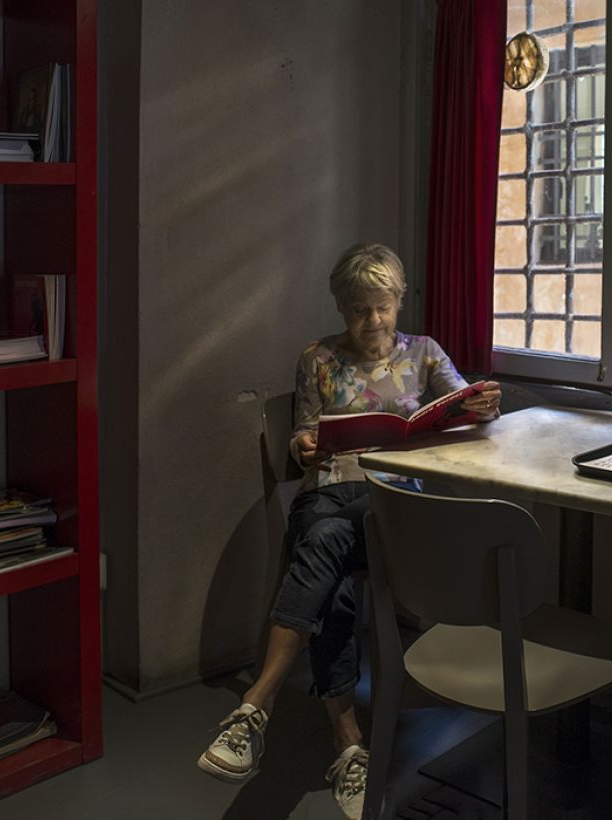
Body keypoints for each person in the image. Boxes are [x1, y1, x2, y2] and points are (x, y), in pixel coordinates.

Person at [197, 243, 501, 819]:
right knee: (331, 568)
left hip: (397, 506)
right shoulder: (318, 358)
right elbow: (304, 434)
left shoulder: (424, 353)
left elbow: (467, 407)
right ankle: (347, 743)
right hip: (329, 496)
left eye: (382, 306)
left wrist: (482, 406)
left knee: (323, 545)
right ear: (341, 307)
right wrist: (304, 446)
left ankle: (257, 706)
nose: (373, 320)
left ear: (398, 301)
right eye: (359, 309)